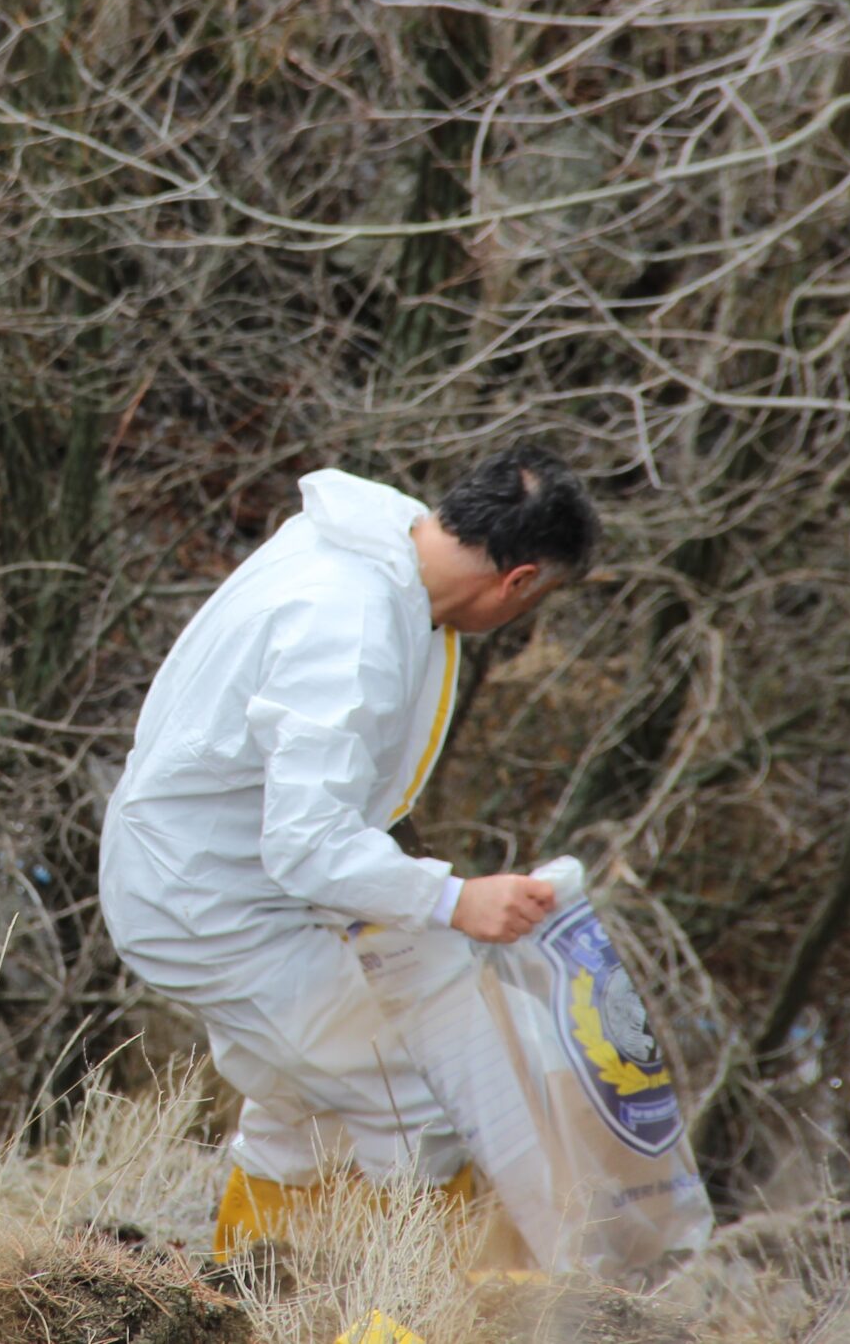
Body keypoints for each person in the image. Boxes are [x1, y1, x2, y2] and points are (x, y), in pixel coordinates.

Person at [98, 449, 599, 1259]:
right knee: (416, 1096)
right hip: (209, 903)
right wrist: (455, 899)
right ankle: (410, 1308)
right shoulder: (350, 626)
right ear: (519, 581)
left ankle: (245, 1296)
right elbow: (309, 843)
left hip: (223, 878)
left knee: (306, 1099)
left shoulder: (382, 550)